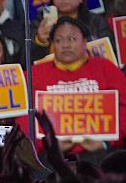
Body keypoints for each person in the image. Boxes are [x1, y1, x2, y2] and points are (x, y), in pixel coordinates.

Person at [31, 16, 126, 153]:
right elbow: (24, 119)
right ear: (52, 45)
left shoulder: (106, 68)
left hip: (102, 153)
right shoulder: (36, 73)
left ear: (85, 42)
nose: (65, 45)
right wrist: (47, 144)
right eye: (58, 40)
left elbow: (124, 108)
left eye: (72, 39)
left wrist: (106, 142)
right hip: (52, 157)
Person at [31, 0, 112, 59]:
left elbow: (112, 53)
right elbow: (26, 61)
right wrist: (40, 40)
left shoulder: (96, 22)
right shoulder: (40, 21)